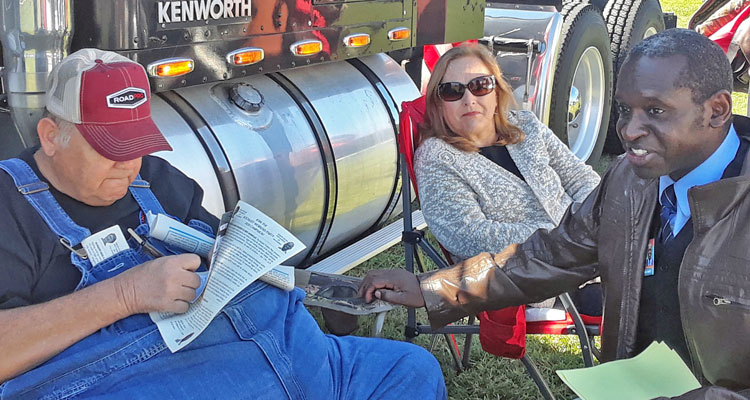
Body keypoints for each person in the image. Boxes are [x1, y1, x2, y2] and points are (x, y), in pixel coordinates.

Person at [0, 48, 446, 399]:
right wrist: (125, 294)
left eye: (135, 144)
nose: (127, 166)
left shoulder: (154, 178)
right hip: (167, 381)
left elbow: (228, 263)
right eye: (108, 147)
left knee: (411, 370)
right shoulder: (10, 205)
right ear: (50, 136)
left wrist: (316, 288)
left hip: (292, 356)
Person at [361, 29, 750, 398]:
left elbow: (576, 181)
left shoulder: (534, 132)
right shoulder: (630, 182)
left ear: (717, 111)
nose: (629, 131)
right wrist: (435, 288)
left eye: (655, 110)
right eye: (624, 109)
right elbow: (550, 255)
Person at [414, 44, 601, 315]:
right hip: (528, 280)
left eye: (480, 85)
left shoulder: (525, 126)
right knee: (633, 306)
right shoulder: (436, 157)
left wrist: (594, 219)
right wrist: (564, 237)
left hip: (585, 252)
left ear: (497, 92)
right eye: (453, 91)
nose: (469, 99)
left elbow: (580, 177)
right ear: (438, 103)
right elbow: (468, 236)